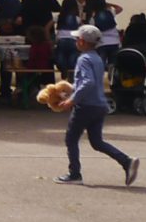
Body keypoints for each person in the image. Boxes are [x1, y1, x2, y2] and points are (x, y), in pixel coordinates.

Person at [50, 24, 139, 186]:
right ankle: (126, 161)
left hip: (86, 106)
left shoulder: (83, 59)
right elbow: (89, 82)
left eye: (78, 39)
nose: (76, 41)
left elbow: (88, 82)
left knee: (71, 138)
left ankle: (74, 174)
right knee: (97, 142)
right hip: (99, 105)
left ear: (83, 42)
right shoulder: (97, 58)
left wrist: (72, 100)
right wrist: (71, 90)